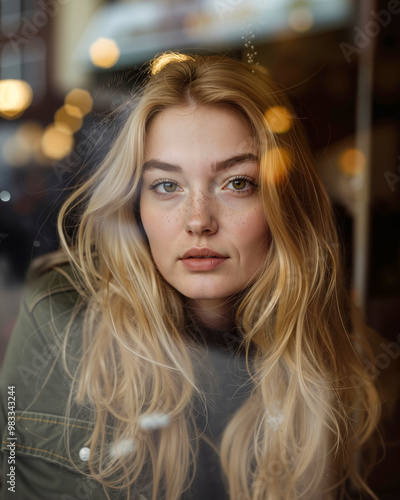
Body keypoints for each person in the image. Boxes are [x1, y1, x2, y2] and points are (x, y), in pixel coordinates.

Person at [0, 52, 398, 500]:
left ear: (283, 206)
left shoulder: (343, 349)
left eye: (237, 183)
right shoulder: (62, 317)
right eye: (167, 186)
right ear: (136, 208)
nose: (198, 221)